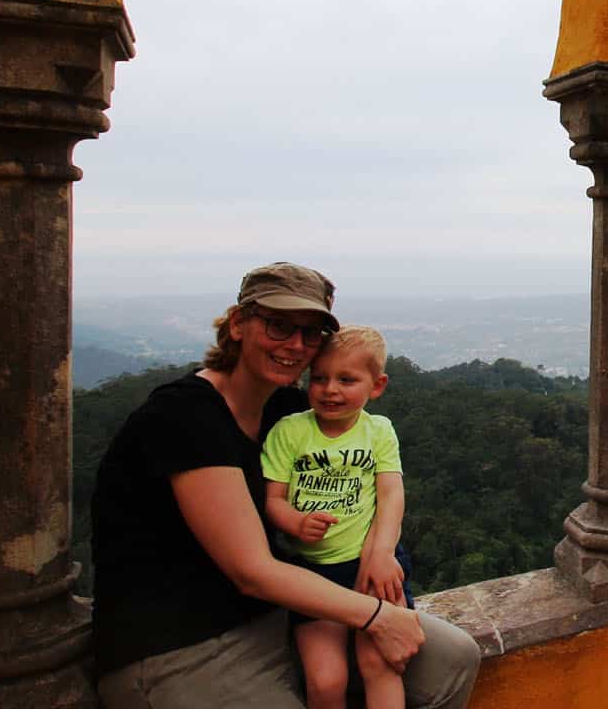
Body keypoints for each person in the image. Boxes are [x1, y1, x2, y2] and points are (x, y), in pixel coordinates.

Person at [90, 263, 479, 709]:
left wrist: (378, 551)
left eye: (310, 333)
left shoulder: (290, 413)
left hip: (278, 612)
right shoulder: (185, 416)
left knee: (455, 660)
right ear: (238, 324)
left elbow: (372, 484)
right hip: (178, 645)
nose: (295, 345)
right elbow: (251, 571)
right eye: (279, 325)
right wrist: (377, 616)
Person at [262, 326, 411, 709]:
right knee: (326, 681)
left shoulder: (378, 431)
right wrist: (294, 522)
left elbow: (391, 493)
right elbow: (272, 499)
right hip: (311, 574)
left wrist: (381, 552)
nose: (331, 390)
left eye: (347, 380)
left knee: (380, 663)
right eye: (320, 378)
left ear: (376, 386)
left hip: (371, 565)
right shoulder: (290, 431)